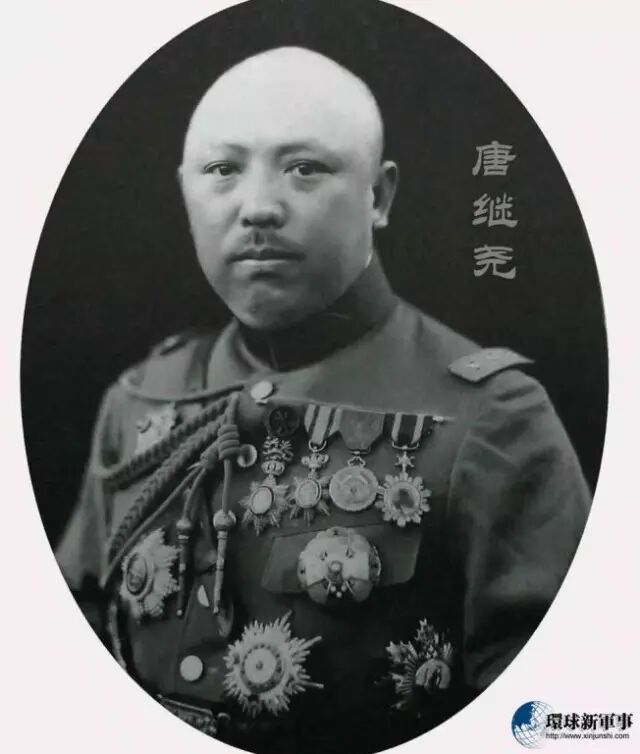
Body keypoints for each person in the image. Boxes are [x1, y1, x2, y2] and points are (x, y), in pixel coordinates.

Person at [55, 46, 591, 754]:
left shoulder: (492, 417)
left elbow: (552, 717)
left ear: (379, 196)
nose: (258, 207)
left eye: (305, 168)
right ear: (185, 191)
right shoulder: (139, 401)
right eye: (222, 170)